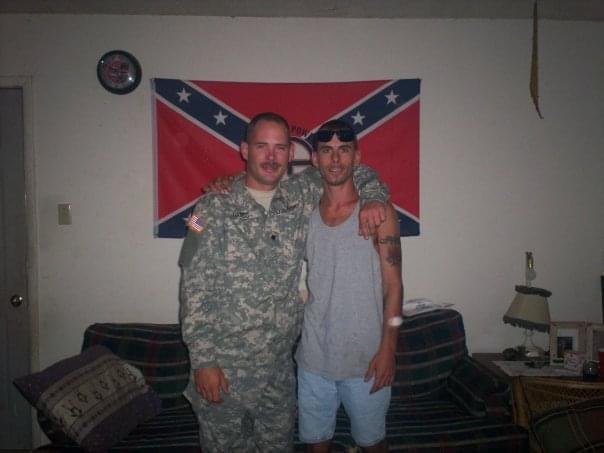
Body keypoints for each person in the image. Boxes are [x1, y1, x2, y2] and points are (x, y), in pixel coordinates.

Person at [178, 112, 389, 453]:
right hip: (224, 369)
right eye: (262, 146)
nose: (271, 156)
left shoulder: (300, 194)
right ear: (244, 149)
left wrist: (376, 196)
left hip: (278, 372)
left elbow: (355, 170)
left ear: (292, 154)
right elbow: (193, 289)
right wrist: (203, 361)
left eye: (280, 148)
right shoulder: (207, 208)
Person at [295, 120, 403, 453]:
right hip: (314, 360)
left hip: (366, 360)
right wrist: (200, 219)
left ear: (357, 156)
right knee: (316, 446)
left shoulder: (380, 213)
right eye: (326, 151)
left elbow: (394, 286)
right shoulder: (303, 212)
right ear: (314, 159)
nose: (335, 159)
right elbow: (255, 192)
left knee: (373, 445)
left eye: (344, 150)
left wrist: (388, 349)